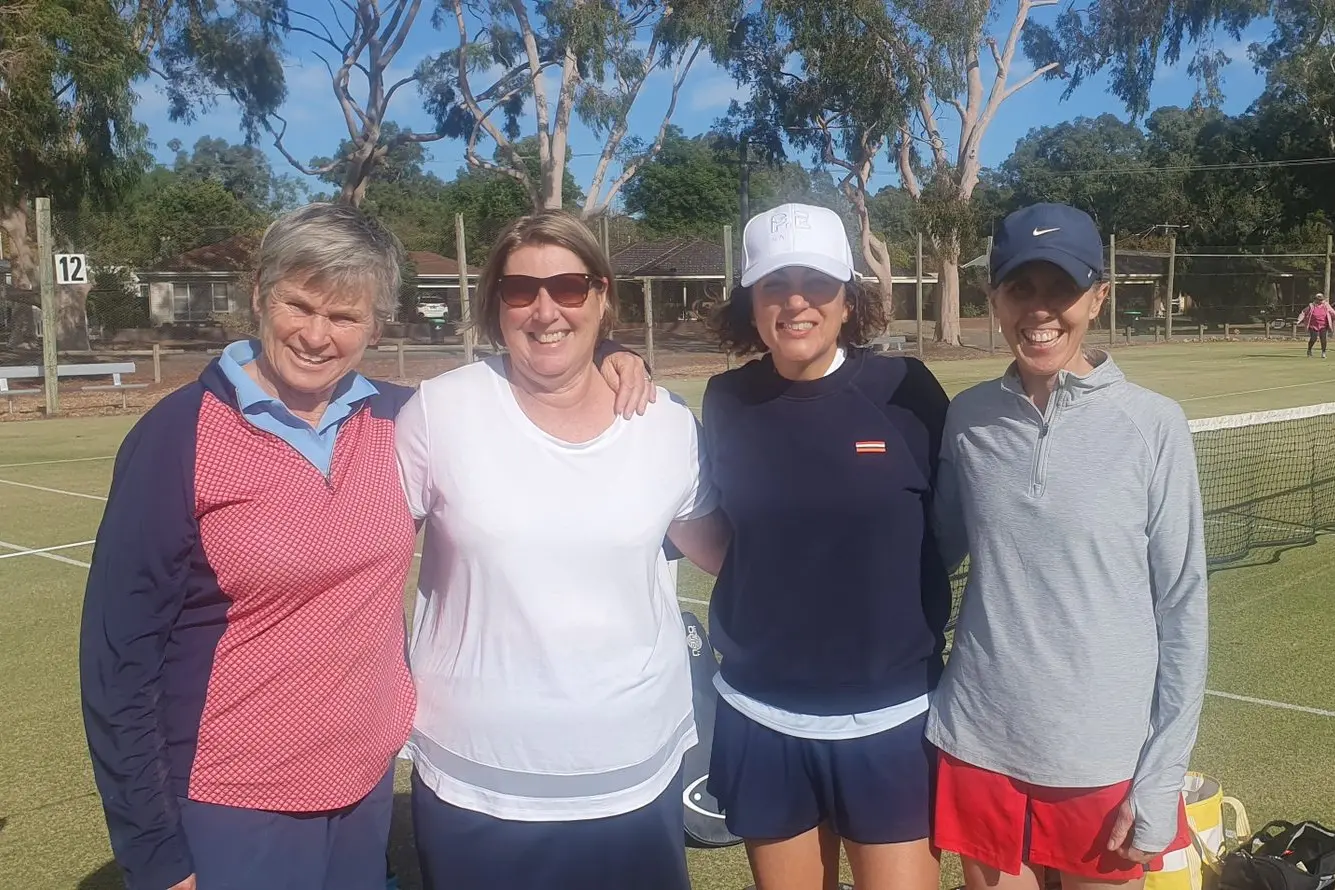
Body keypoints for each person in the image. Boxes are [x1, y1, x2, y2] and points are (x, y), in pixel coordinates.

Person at [79, 202, 652, 890]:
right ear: (260, 295)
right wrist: (154, 852)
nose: (317, 336)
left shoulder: (400, 418)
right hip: (231, 797)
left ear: (375, 324)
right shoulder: (178, 436)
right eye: (300, 306)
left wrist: (613, 354)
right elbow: (119, 659)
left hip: (363, 789)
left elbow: (529, 376)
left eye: (345, 317)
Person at [395, 209, 729, 890]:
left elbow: (724, 554)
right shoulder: (439, 411)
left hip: (634, 775)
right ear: (496, 303)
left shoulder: (662, 424)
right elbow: (367, 566)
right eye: (520, 290)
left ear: (602, 296)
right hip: (476, 782)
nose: (545, 309)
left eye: (569, 287)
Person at [928, 203, 1209, 890]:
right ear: (992, 296)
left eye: (1061, 288)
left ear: (1098, 296)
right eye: (1020, 288)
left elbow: (1181, 609)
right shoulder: (967, 420)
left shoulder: (1152, 426)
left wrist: (1161, 773)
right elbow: (928, 561)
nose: (1039, 310)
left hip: (1102, 756)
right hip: (978, 739)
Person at [701, 203, 952, 890]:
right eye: (773, 285)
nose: (795, 302)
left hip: (892, 718)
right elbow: (719, 532)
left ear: (848, 297)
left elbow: (951, 532)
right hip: (761, 716)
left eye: (815, 283)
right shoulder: (724, 400)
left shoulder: (905, 392)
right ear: (749, 302)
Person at [1299, 293, 1331, 358]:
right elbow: (1303, 313)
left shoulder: (1326, 305)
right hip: (1313, 325)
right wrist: (1299, 320)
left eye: (1321, 300)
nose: (1320, 301)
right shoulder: (1311, 306)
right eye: (1318, 299)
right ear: (1315, 299)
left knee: (1323, 339)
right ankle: (1309, 350)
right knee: (1313, 338)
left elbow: (1332, 312)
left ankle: (1323, 352)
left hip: (1323, 325)